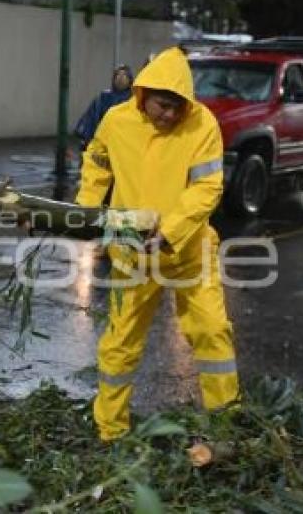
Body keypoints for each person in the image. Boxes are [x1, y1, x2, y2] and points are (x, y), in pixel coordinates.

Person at [76, 47, 239, 443]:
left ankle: (225, 427)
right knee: (120, 343)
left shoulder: (202, 126)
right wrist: (84, 210)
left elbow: (207, 188)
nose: (169, 115)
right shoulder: (116, 121)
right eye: (163, 105)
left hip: (189, 250)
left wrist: (169, 231)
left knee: (212, 331)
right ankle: (110, 431)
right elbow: (97, 162)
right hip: (133, 253)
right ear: (143, 93)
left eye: (177, 108)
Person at [73, 64, 134, 152]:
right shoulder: (103, 97)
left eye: (124, 75)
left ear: (130, 80)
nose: (121, 78)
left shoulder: (133, 99)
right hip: (103, 139)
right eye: (118, 75)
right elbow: (91, 117)